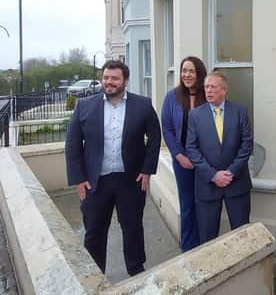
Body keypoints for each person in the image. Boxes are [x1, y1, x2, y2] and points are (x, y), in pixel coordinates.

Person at [65, 60, 161, 276]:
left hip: (131, 181)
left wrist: (147, 170)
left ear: (125, 81)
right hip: (95, 182)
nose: (109, 82)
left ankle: (136, 270)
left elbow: (154, 138)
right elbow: (72, 144)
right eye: (106, 77)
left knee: (133, 228)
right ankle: (95, 274)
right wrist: (79, 179)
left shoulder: (143, 105)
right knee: (94, 231)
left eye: (115, 78)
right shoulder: (84, 106)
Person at [185, 70, 253, 243]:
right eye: (206, 87)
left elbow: (247, 144)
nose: (208, 91)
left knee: (242, 234)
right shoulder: (195, 115)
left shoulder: (239, 111)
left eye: (213, 87)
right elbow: (191, 148)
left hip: (236, 183)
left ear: (224, 90)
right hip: (207, 185)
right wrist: (213, 175)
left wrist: (231, 172)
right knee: (208, 237)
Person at [161, 56, 207, 252]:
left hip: (206, 161)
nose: (187, 75)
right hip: (183, 161)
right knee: (187, 206)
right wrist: (179, 156)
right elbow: (168, 129)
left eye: (191, 71)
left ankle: (205, 246)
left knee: (204, 206)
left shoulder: (208, 94)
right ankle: (188, 249)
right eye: (184, 71)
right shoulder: (172, 97)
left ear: (199, 74)